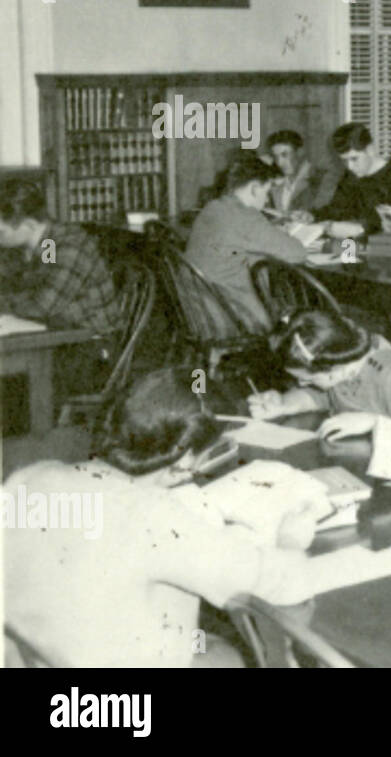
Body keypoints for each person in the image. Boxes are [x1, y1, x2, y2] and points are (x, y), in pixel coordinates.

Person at [3, 367, 318, 667]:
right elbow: (284, 583)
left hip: (41, 665)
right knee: (239, 649)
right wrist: (292, 537)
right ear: (183, 461)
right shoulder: (155, 517)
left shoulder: (29, 478)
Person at [245, 308, 391, 432]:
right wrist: (285, 403)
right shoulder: (344, 365)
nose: (302, 384)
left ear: (332, 370)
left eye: (308, 380)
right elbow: (323, 396)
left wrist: (376, 424)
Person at [184, 153, 308, 330]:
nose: (266, 200)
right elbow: (298, 253)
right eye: (266, 192)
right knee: (300, 317)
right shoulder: (246, 216)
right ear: (255, 188)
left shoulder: (213, 207)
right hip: (232, 318)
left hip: (197, 312)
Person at [0, 178, 124, 338]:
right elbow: (35, 284)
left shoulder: (70, 246)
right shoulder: (47, 241)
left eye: (1, 233)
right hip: (62, 329)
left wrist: (7, 302)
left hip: (92, 340)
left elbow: (43, 307)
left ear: (29, 225)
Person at [314, 123, 391, 238]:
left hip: (389, 248)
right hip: (355, 247)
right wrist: (312, 215)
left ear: (370, 150)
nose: (350, 166)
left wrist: (359, 228)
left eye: (354, 158)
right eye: (344, 161)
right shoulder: (351, 176)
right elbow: (337, 210)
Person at [264, 129, 340, 217]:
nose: (279, 162)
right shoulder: (274, 184)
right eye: (275, 157)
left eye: (285, 155)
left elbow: (324, 213)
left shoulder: (322, 178)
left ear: (300, 152)